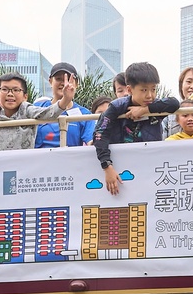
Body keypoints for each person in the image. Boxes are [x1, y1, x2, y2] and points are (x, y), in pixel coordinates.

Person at [96, 61, 183, 195]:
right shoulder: (116, 107)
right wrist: (107, 166)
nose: (150, 95)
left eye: (153, 89)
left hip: (151, 168)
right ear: (130, 90)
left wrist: (145, 110)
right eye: (144, 90)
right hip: (121, 170)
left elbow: (174, 103)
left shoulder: (156, 105)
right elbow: (100, 134)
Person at [35, 62, 95, 148]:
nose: (64, 83)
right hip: (39, 160)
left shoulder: (85, 114)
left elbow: (91, 141)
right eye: (58, 79)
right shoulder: (37, 108)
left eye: (69, 79)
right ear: (50, 81)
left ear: (77, 84)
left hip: (71, 160)